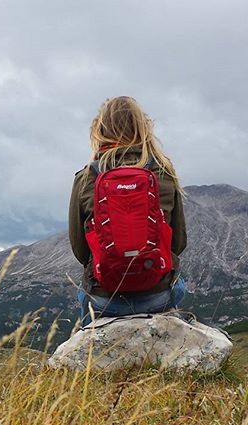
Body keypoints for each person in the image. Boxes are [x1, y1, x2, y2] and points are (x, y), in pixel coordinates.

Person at [68, 96, 187, 327]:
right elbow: (179, 243)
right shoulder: (163, 172)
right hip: (159, 296)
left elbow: (80, 251)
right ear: (144, 129)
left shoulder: (85, 179)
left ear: (99, 131)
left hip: (104, 300)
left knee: (84, 298)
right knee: (179, 286)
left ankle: (90, 355)